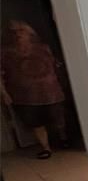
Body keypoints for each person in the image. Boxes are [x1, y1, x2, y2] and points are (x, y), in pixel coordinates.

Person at [1, 20, 68, 159]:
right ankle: (46, 148)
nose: (18, 34)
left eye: (21, 31)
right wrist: (4, 94)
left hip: (51, 91)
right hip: (23, 95)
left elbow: (55, 65)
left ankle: (63, 140)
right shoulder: (4, 53)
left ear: (29, 33)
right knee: (35, 122)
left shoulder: (43, 48)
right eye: (14, 32)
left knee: (58, 118)